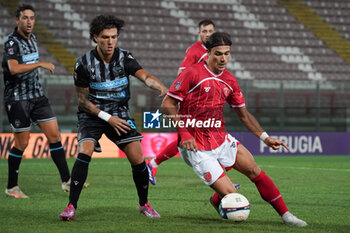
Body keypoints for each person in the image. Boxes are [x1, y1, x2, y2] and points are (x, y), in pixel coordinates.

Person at [160, 32, 307, 227]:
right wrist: (185, 134)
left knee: (255, 170)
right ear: (208, 53)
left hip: (220, 138)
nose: (223, 59)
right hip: (196, 146)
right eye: (218, 54)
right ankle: (219, 198)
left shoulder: (229, 80)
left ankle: (286, 215)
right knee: (233, 198)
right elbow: (167, 104)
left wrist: (265, 138)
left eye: (227, 54)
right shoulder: (192, 73)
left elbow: (244, 115)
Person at [59, 14, 168, 221]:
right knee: (85, 150)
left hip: (119, 113)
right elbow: (83, 102)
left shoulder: (125, 58)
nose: (110, 42)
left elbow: (144, 76)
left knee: (138, 158)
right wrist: (107, 118)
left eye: (114, 37)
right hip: (92, 114)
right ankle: (71, 206)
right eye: (105, 37)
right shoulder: (83, 64)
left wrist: (160, 86)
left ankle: (144, 204)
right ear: (95, 38)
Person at [2, 4, 82, 198]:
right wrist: (38, 63)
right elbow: (13, 68)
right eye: (25, 18)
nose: (29, 21)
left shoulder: (34, 39)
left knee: (54, 136)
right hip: (18, 99)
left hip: (37, 97)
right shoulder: (12, 42)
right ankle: (12, 187)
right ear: (17, 20)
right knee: (22, 144)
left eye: (32, 18)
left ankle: (66, 181)